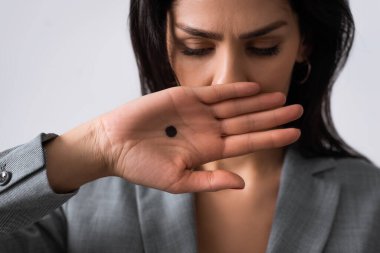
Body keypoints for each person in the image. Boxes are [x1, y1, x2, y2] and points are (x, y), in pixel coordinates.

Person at [0, 0, 379, 252]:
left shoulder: (369, 199)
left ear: (304, 44)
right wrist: (91, 148)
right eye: (196, 48)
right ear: (164, 40)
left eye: (263, 46)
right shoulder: (83, 195)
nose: (227, 80)